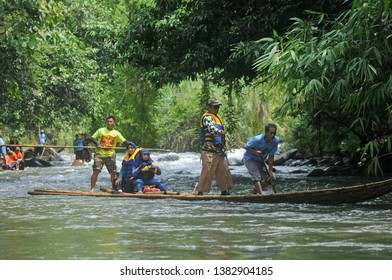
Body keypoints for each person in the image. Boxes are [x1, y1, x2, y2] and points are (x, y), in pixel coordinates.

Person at [197, 98, 233, 195]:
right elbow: (210, 126)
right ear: (209, 107)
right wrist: (217, 131)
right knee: (207, 170)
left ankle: (224, 191)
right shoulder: (207, 117)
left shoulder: (217, 117)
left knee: (223, 170)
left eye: (218, 107)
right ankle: (201, 192)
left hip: (218, 150)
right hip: (208, 150)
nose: (217, 109)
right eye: (215, 107)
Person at [89, 116, 132, 192]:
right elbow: (92, 138)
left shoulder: (116, 133)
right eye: (108, 121)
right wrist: (97, 144)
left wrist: (133, 145)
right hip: (99, 154)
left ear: (114, 123)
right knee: (96, 171)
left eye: (111, 121)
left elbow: (125, 142)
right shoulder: (101, 130)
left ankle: (114, 188)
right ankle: (92, 189)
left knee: (113, 172)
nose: (109, 123)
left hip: (111, 155)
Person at [242, 123, 279, 194]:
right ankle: (261, 194)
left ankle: (253, 193)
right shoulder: (257, 139)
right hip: (249, 158)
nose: (272, 135)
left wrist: (270, 170)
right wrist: (255, 152)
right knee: (256, 176)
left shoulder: (275, 141)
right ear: (266, 132)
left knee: (271, 178)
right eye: (270, 133)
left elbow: (271, 156)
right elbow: (246, 147)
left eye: (274, 133)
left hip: (260, 160)